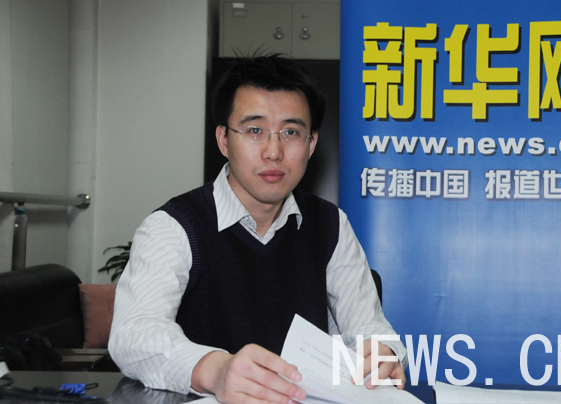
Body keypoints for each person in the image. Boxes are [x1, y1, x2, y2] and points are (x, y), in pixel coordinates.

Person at [108, 55, 408, 404]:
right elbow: (135, 333)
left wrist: (382, 353)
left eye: (291, 132)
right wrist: (215, 370)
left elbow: (369, 327)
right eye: (254, 131)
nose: (273, 152)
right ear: (224, 139)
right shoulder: (173, 226)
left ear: (311, 144)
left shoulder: (330, 225)